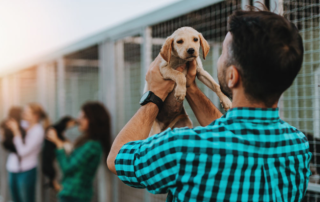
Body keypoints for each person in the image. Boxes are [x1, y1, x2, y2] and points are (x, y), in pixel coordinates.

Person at [107, 6, 311, 202]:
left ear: (232, 76)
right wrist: (192, 89)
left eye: (223, 53)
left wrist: (154, 95)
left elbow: (117, 158)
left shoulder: (182, 148)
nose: (218, 58)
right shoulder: (298, 146)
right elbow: (234, 137)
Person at [46, 102, 111, 202]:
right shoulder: (87, 141)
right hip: (72, 193)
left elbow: (67, 167)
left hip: (75, 195)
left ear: (93, 120)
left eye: (83, 117)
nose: (78, 120)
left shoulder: (92, 146)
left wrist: (58, 143)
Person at [6, 103, 50, 202]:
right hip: (12, 168)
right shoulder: (23, 124)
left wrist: (16, 131)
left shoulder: (38, 131)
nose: (23, 114)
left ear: (35, 116)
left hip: (26, 171)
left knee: (26, 199)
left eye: (27, 112)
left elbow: (22, 151)